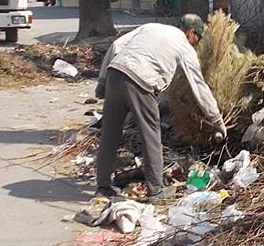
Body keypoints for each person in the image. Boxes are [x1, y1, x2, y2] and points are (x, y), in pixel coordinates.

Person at [94, 14, 226, 200]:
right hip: (140, 81)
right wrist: (217, 121)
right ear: (190, 32)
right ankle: (156, 190)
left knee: (110, 134)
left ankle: (103, 186)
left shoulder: (151, 27)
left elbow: (117, 45)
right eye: (198, 38)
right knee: (151, 135)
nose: (197, 43)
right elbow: (199, 87)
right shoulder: (184, 46)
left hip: (115, 73)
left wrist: (102, 81)